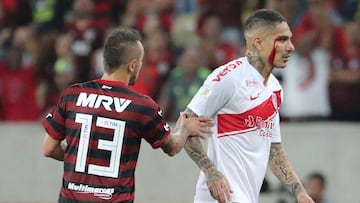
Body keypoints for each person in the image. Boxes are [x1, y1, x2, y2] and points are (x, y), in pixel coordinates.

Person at [41, 27, 214, 203]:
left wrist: (80, 160)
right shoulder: (142, 106)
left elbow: (48, 148)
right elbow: (172, 147)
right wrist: (184, 129)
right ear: (132, 65)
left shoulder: (73, 95)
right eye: (140, 62)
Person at [183, 9, 315, 203]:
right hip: (221, 196)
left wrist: (299, 192)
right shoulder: (228, 78)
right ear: (258, 43)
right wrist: (211, 172)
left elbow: (274, 150)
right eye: (282, 40)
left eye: (290, 39)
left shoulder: (275, 89)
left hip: (247, 196)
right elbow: (184, 124)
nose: (291, 47)